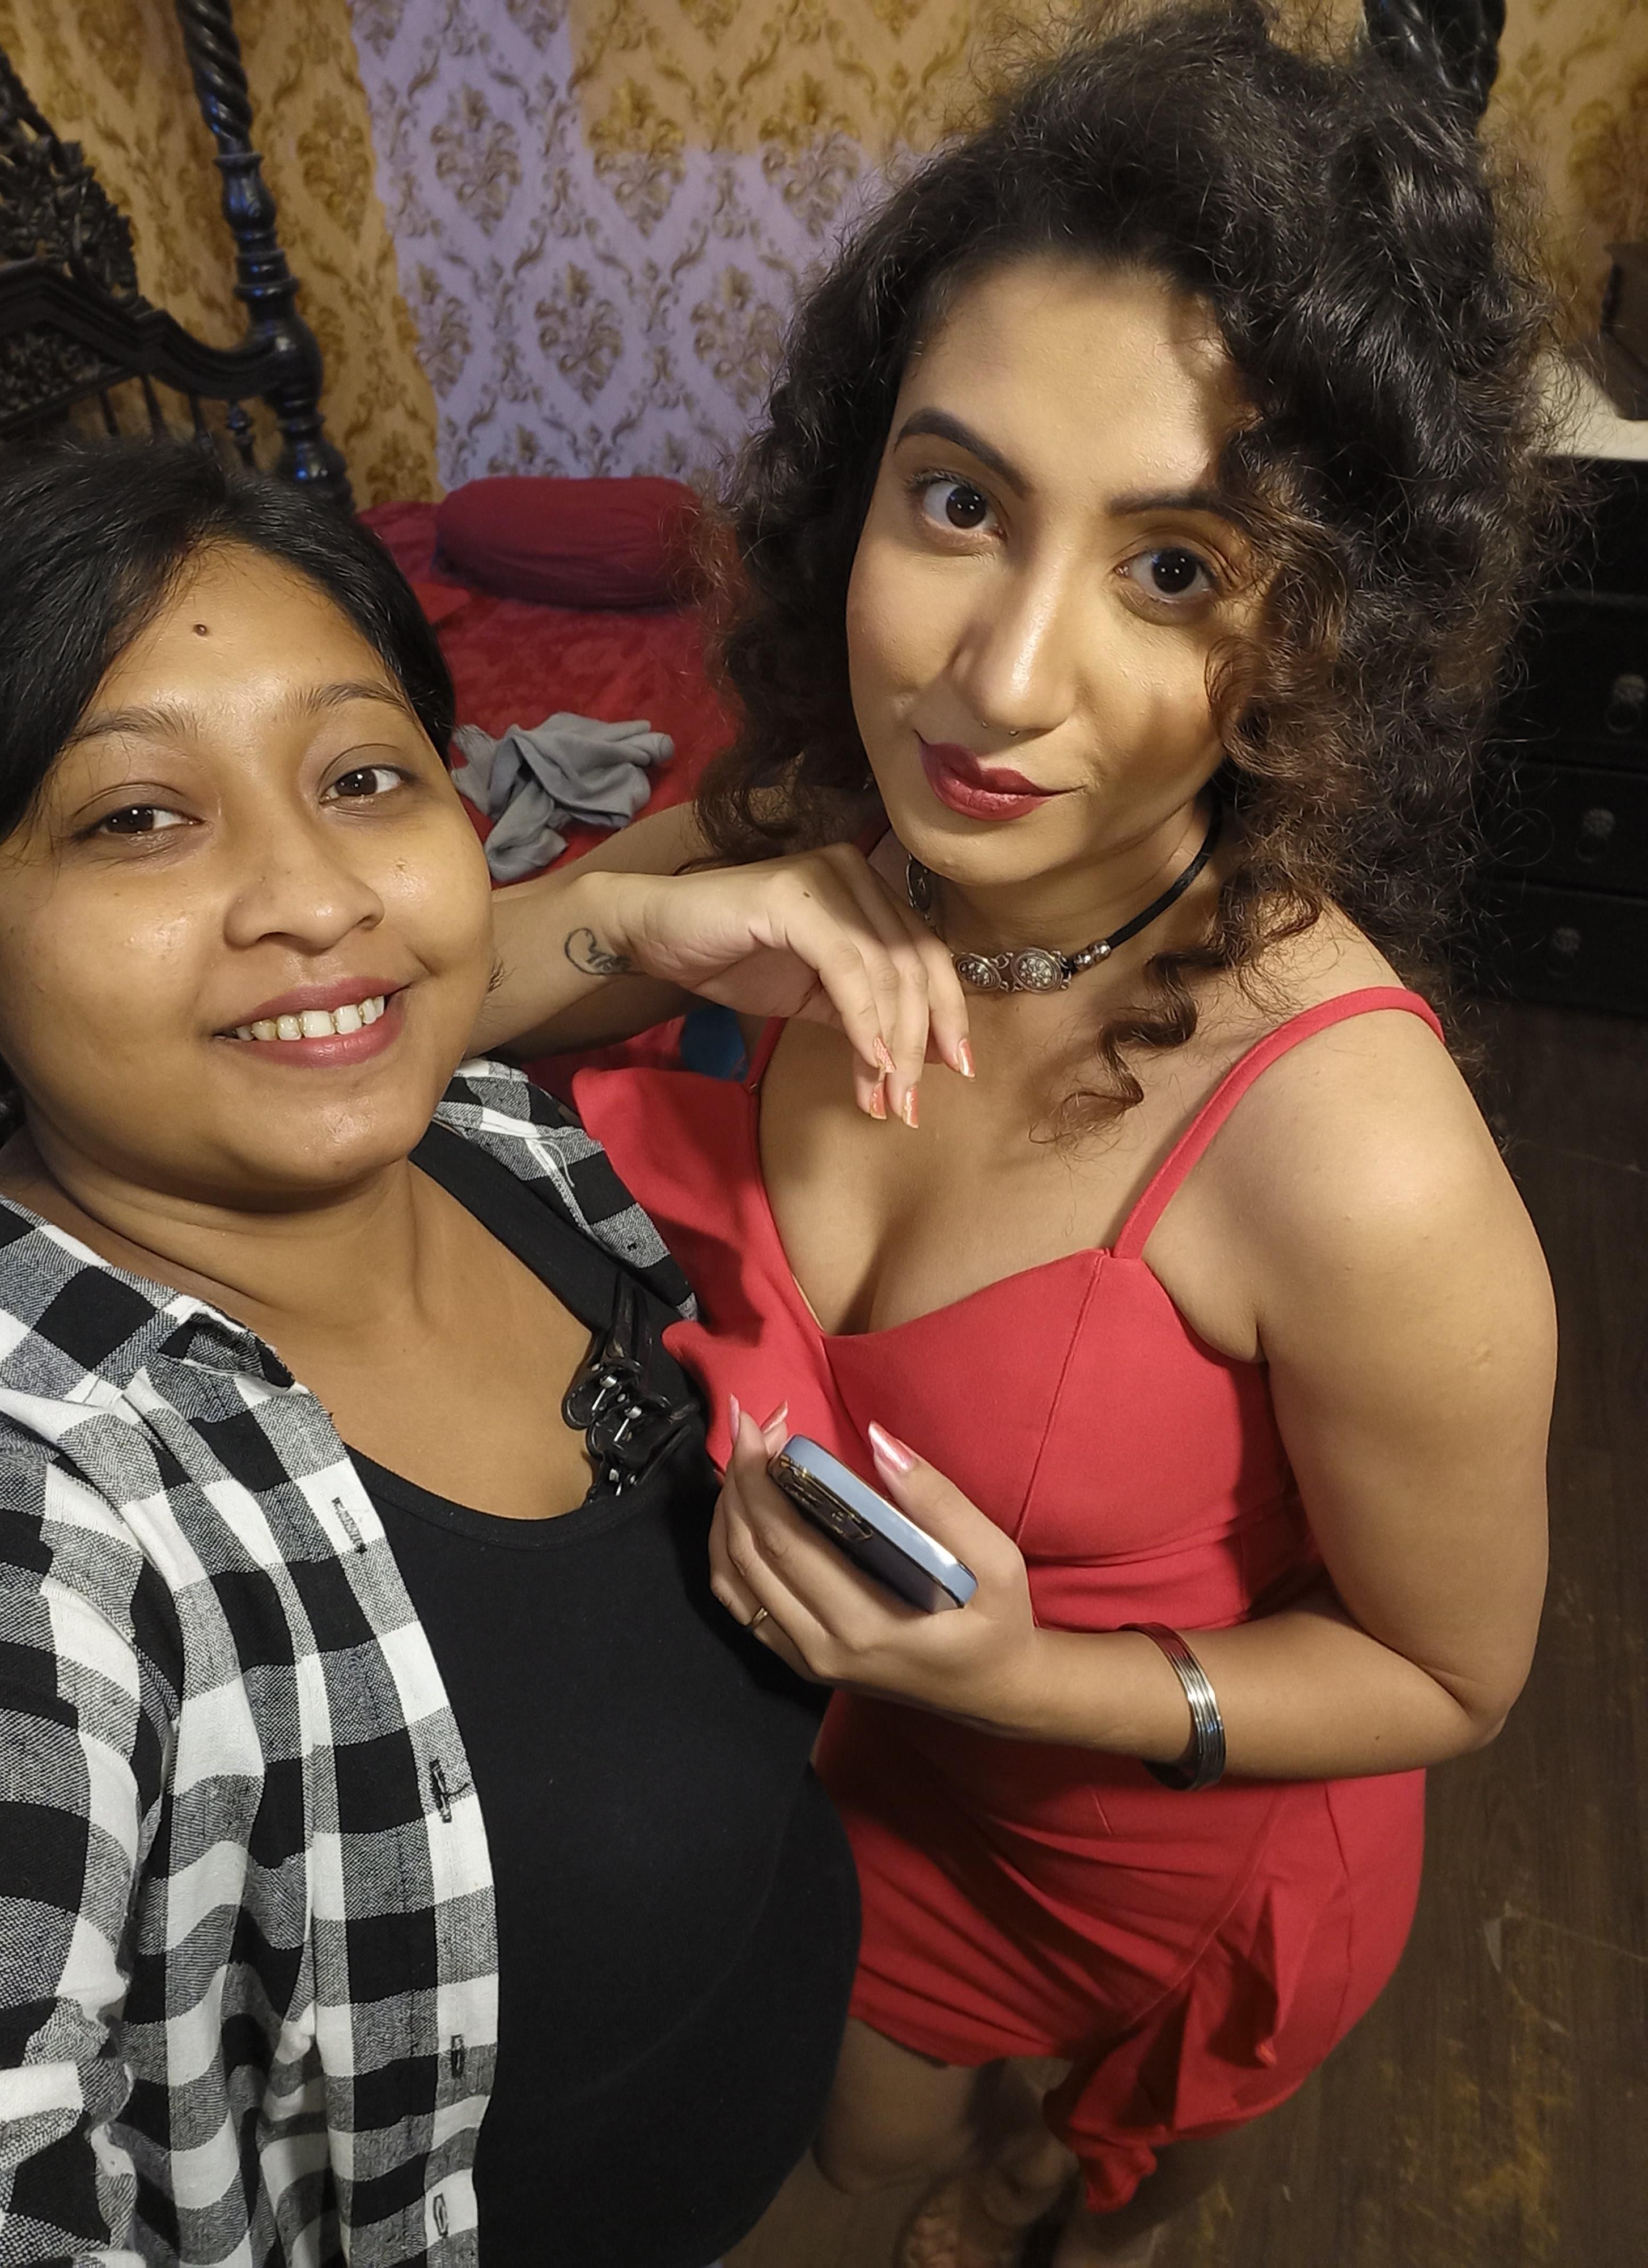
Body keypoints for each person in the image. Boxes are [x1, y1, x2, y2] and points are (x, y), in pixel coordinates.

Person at [482, 6, 1561, 2261]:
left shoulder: (1354, 1154)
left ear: (1320, 638)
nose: (997, 682)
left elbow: (1450, 1676)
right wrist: (646, 912)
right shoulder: (807, 826)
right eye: (959, 503)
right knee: (824, 2126)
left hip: (1123, 1817)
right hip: (822, 1728)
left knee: (984, 2163)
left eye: (1175, 567)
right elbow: (380, 1030)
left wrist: (1022, 1678)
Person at [0, 438, 969, 2267]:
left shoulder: (503, 1144)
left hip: (780, 2092)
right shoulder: (27, 1521)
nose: (315, 897)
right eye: (138, 819)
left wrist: (614, 912)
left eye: (364, 778)